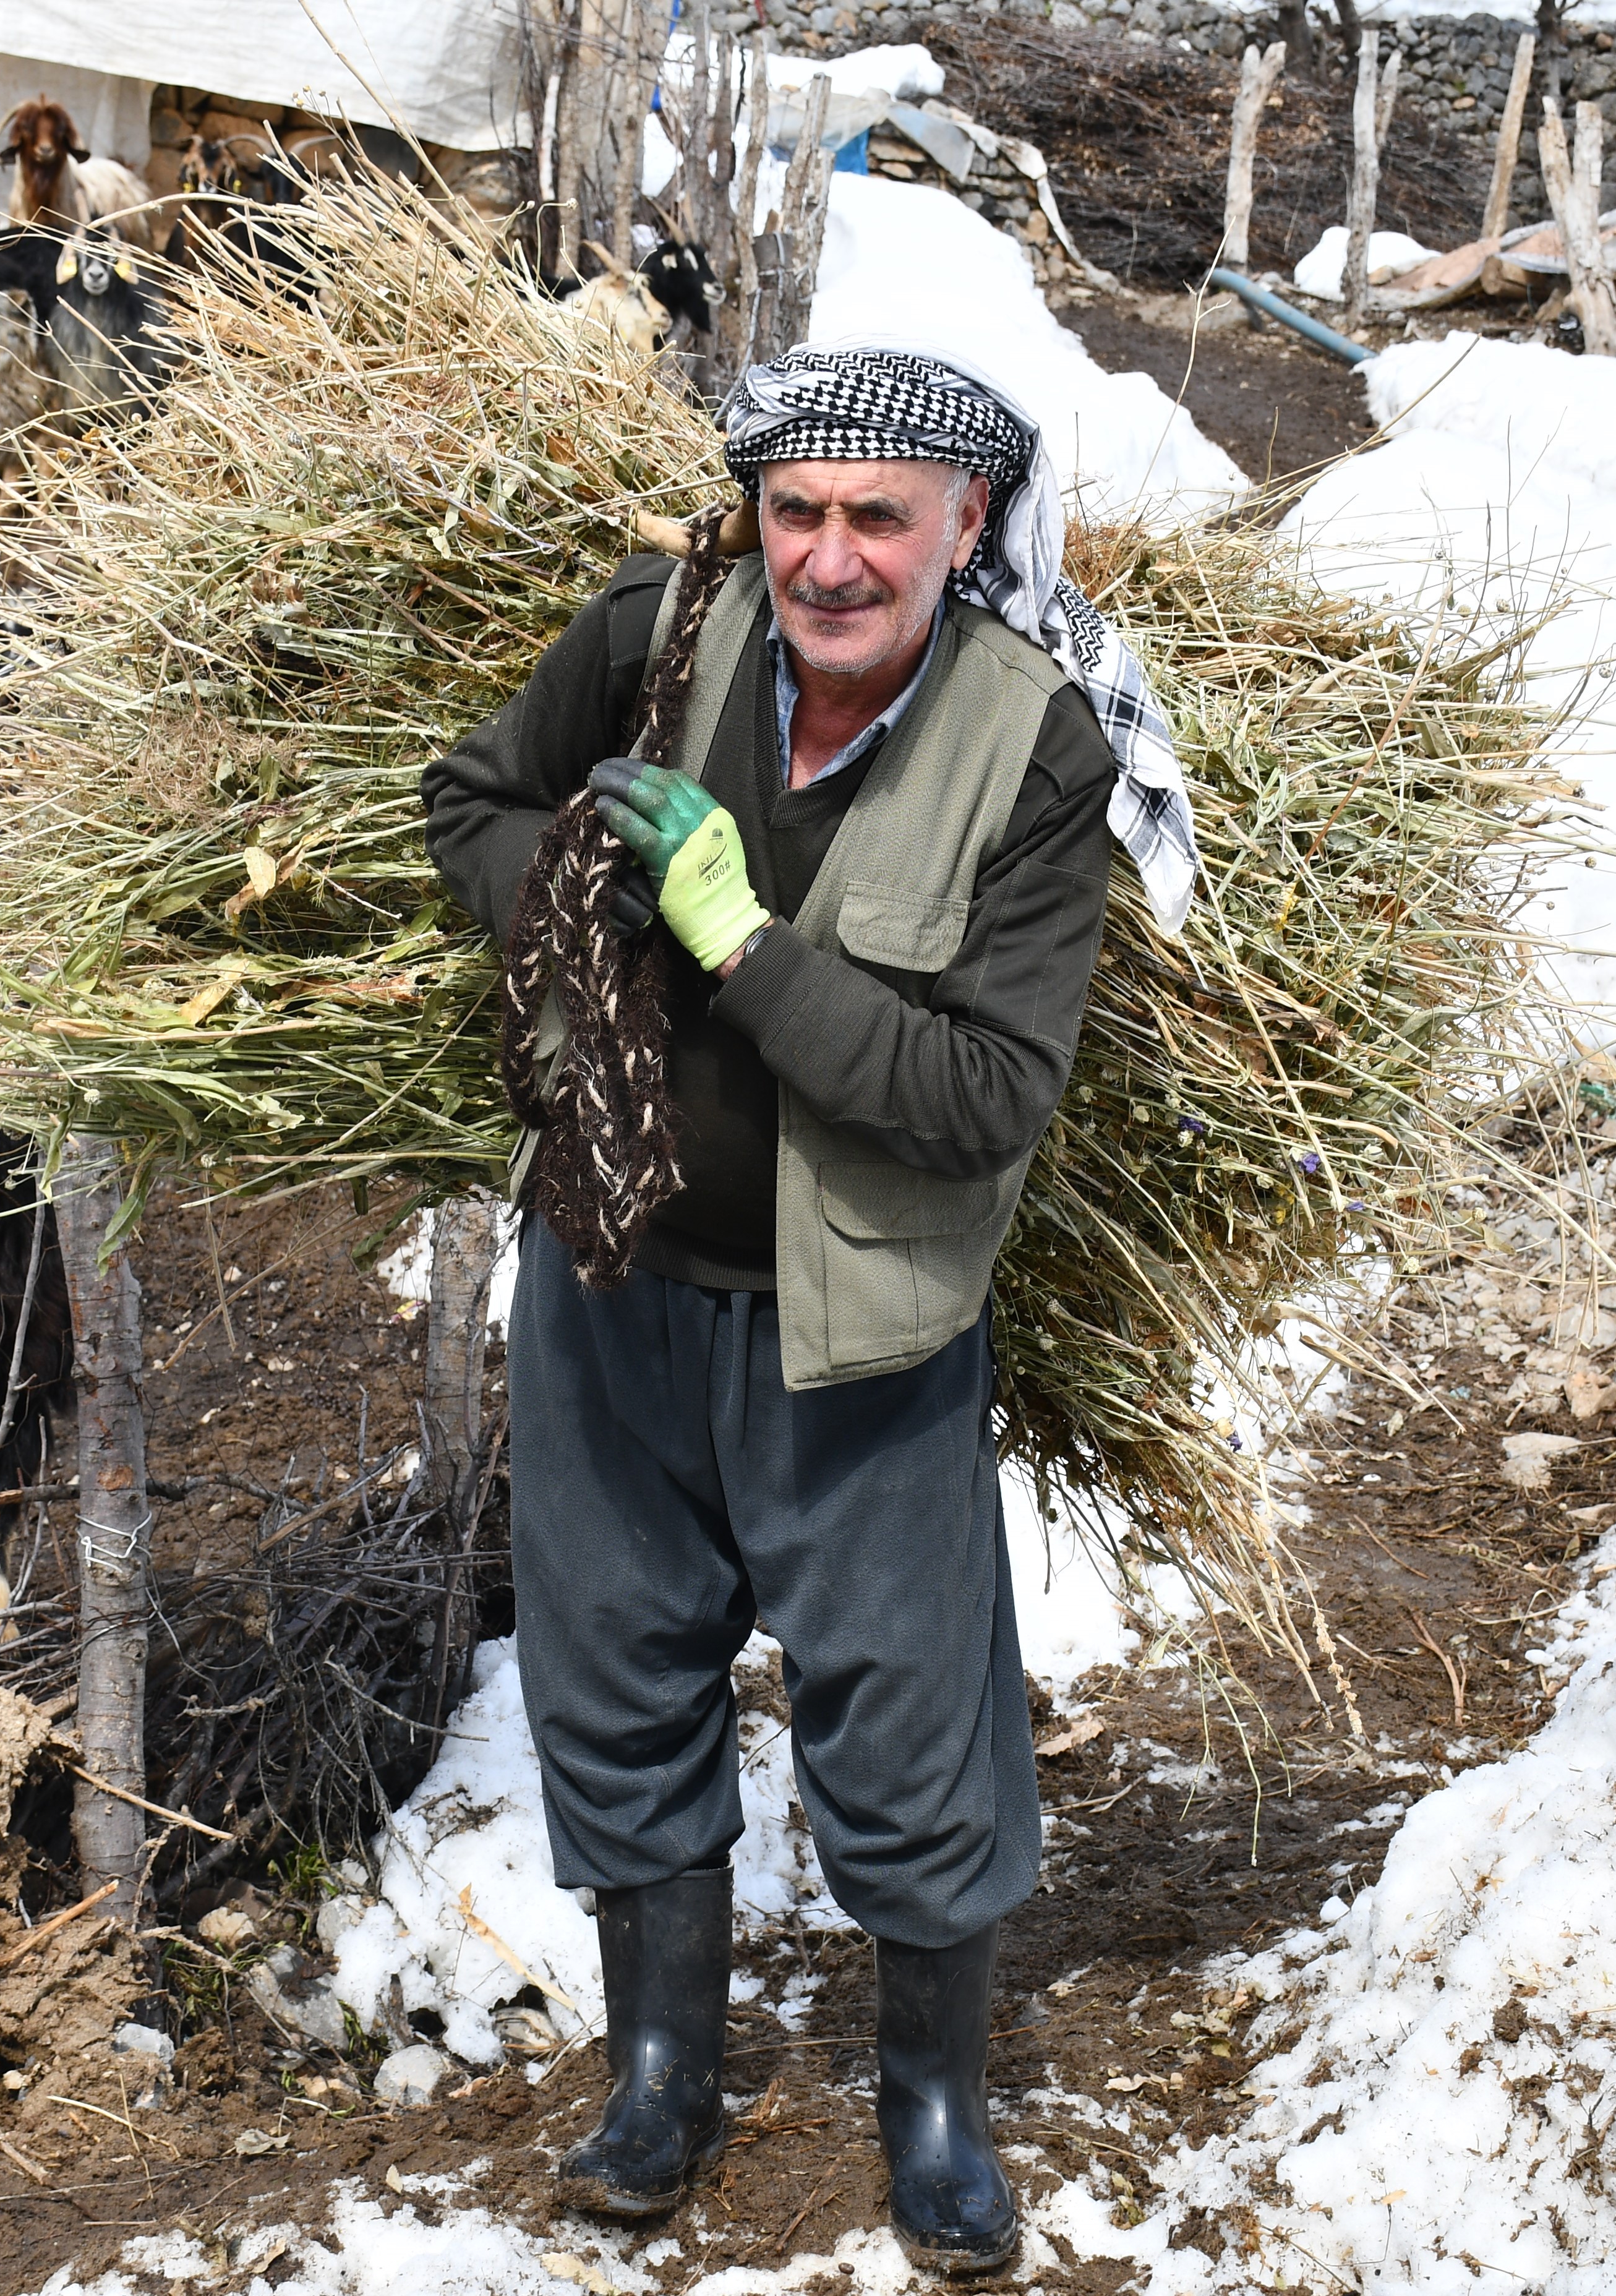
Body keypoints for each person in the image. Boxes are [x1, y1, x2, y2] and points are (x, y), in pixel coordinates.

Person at [422, 343, 1192, 2276]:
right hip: (614, 1283)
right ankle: (663, 2072)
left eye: (878, 518)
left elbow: (980, 1099)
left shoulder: (1035, 750)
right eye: (797, 511)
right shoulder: (653, 632)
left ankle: (932, 2104)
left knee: (909, 1727)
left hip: (864, 1332)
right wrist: (577, 896)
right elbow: (474, 804)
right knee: (613, 1681)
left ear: (967, 528)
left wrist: (740, 945)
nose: (830, 559)